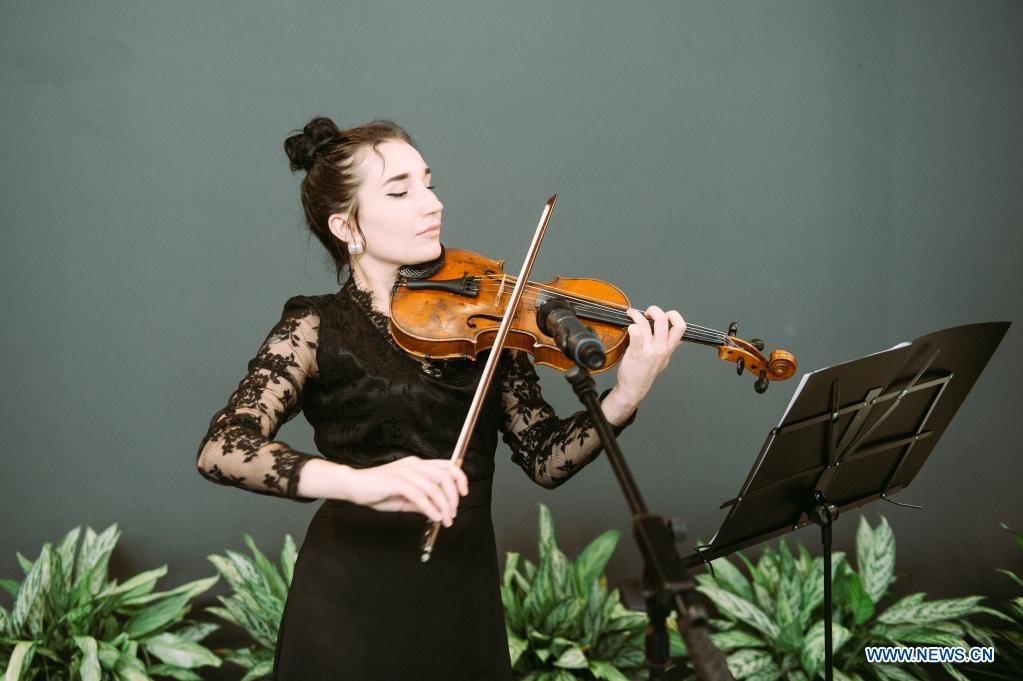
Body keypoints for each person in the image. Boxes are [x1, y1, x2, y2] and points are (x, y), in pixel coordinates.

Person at [195, 116, 687, 681]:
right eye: (400, 191)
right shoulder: (315, 325)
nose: (431, 204)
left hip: (461, 594)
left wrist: (625, 395)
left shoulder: (488, 318)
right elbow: (224, 448)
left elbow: (545, 458)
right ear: (346, 226)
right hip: (346, 603)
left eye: (428, 183)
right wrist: (359, 483)